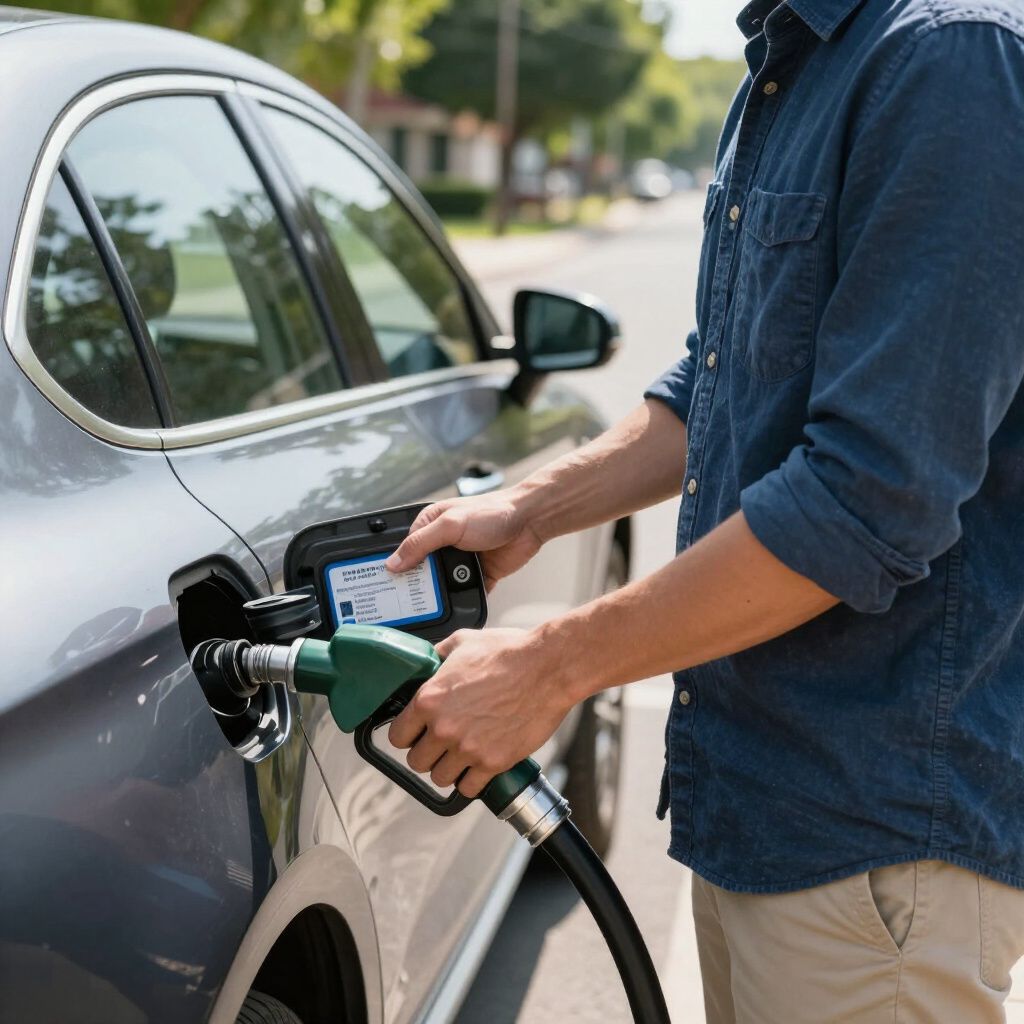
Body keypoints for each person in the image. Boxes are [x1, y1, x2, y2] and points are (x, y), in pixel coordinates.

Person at [386, 0, 1024, 1019]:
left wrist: (550, 666)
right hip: (758, 801)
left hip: (872, 839)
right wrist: (533, 508)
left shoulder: (949, 60)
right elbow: (724, 377)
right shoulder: (793, 61)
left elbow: (867, 495)